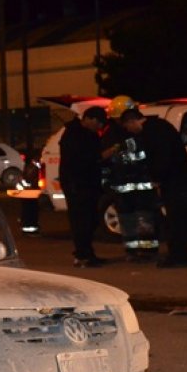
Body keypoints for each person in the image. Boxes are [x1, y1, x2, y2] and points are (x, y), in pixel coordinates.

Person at [120, 107, 187, 267]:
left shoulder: (154, 132)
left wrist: (156, 179)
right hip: (178, 178)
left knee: (176, 219)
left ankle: (177, 257)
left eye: (127, 127)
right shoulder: (158, 127)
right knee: (179, 218)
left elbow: (162, 158)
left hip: (175, 180)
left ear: (132, 121)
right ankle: (180, 255)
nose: (129, 131)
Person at [101, 95, 160, 261]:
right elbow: (104, 157)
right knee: (128, 219)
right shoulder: (111, 134)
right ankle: (133, 251)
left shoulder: (141, 131)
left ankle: (147, 250)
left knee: (144, 217)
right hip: (123, 184)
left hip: (141, 183)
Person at [58, 106, 107, 267]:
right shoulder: (73, 134)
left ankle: (87, 253)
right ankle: (82, 255)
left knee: (90, 220)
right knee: (81, 221)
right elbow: (79, 160)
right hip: (77, 184)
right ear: (89, 119)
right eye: (98, 123)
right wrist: (100, 156)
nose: (99, 127)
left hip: (88, 183)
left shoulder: (88, 134)